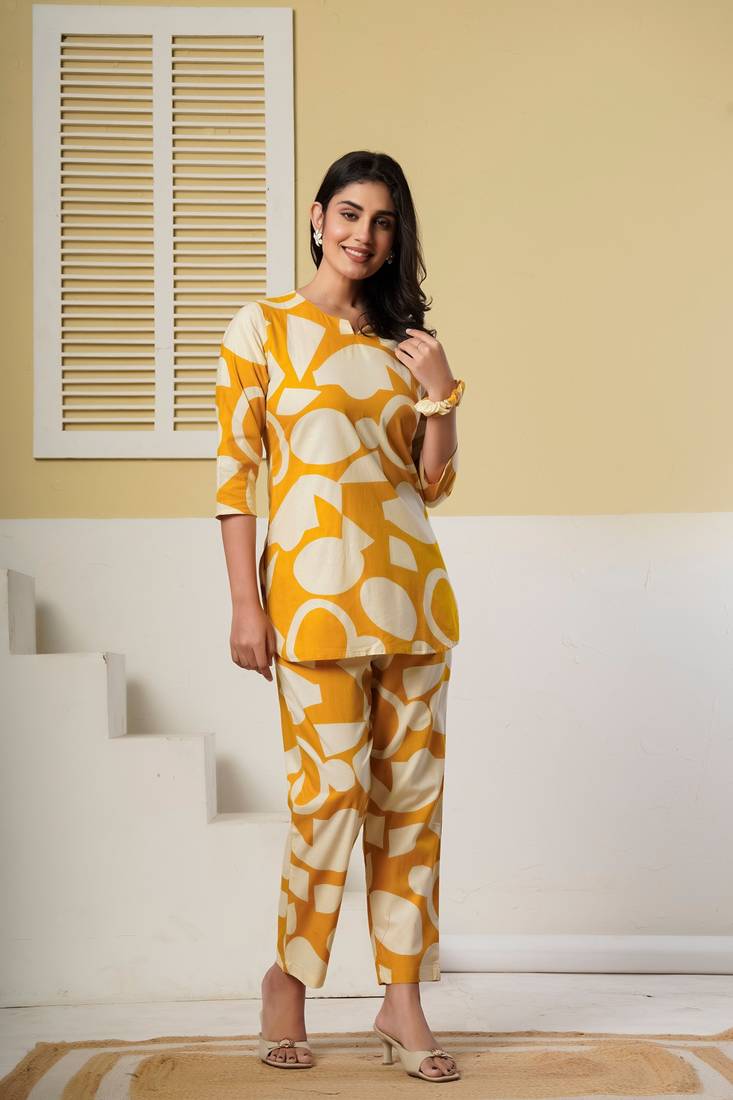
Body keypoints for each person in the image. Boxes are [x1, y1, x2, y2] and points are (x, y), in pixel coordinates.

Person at [215, 150, 466, 1082]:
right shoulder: (263, 327)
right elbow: (235, 478)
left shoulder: (407, 341)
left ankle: (401, 1001)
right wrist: (246, 605)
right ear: (318, 217)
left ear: (397, 237)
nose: (365, 234)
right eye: (350, 214)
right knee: (325, 803)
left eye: (384, 221)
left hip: (413, 599)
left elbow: (431, 482)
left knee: (410, 809)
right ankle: (287, 981)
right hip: (312, 601)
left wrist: (439, 389)